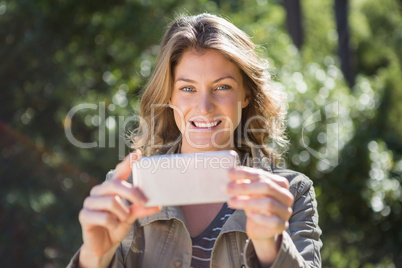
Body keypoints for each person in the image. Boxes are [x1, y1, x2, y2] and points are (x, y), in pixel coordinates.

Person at [68, 13, 322, 268]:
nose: (204, 107)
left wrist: (272, 246)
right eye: (187, 88)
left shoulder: (290, 193)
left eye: (222, 87)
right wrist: (93, 258)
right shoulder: (127, 191)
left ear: (246, 95)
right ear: (169, 96)